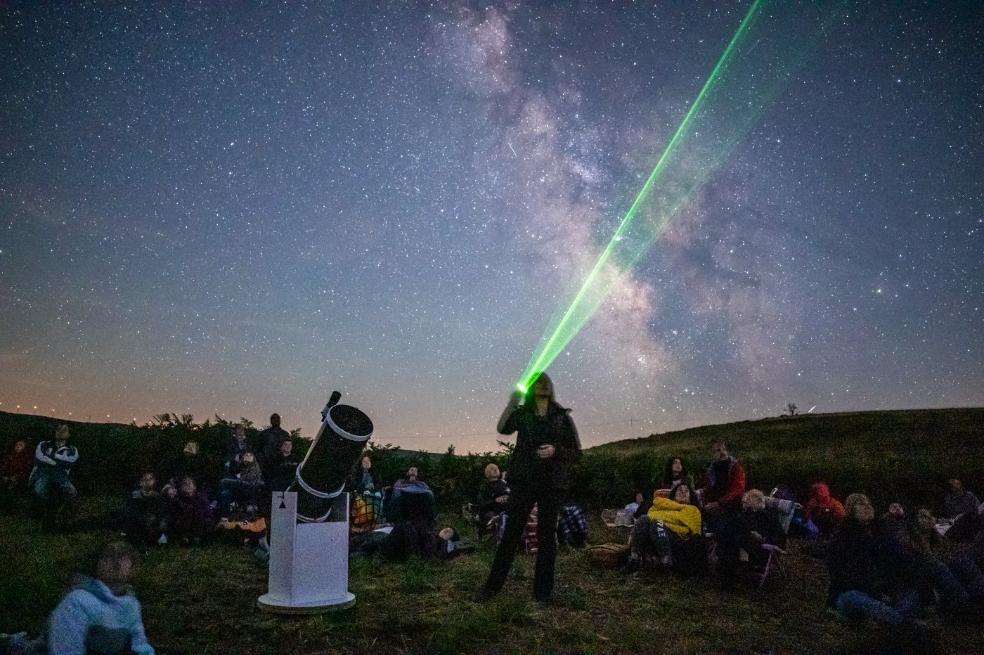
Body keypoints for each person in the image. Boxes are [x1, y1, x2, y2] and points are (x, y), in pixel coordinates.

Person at [476, 372, 581, 603]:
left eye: (546, 381)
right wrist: (513, 401)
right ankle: (491, 589)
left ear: (551, 387)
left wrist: (555, 451)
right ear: (532, 388)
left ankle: (543, 593)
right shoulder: (523, 414)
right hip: (524, 480)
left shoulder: (562, 417)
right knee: (511, 534)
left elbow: (576, 451)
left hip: (552, 483)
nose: (543, 384)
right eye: (538, 381)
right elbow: (503, 428)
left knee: (547, 537)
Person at [827, 494, 926, 631]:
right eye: (861, 503)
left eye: (868, 503)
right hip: (853, 593)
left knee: (911, 594)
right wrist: (875, 592)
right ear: (851, 510)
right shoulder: (843, 537)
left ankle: (892, 621)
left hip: (885, 592)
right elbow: (841, 574)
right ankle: (906, 626)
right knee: (856, 598)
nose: (867, 506)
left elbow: (900, 559)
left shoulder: (881, 533)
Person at [47, 541, 155, 655]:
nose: (116, 562)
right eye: (109, 556)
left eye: (122, 556)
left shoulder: (132, 605)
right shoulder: (77, 600)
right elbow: (66, 650)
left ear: (133, 568)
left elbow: (140, 645)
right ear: (98, 564)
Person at [626, 482, 704, 576]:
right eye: (680, 490)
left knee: (656, 523)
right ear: (674, 494)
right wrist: (661, 523)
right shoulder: (660, 505)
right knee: (643, 519)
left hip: (678, 539)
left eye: (686, 491)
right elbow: (650, 516)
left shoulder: (692, 509)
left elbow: (691, 529)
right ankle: (635, 559)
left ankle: (666, 563)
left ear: (690, 496)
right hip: (655, 532)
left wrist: (663, 524)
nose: (683, 492)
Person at [716, 489, 785, 589]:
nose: (745, 500)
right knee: (732, 531)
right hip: (745, 542)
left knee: (737, 538)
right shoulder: (748, 513)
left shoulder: (770, 515)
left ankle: (736, 568)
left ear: (759, 500)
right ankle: (736, 566)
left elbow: (778, 536)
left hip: (761, 548)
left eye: (748, 498)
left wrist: (763, 538)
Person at [29, 425, 79, 514]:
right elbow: (39, 458)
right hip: (43, 472)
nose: (61, 432)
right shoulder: (43, 444)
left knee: (72, 491)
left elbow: (70, 463)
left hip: (60, 474)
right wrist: (58, 462)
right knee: (39, 489)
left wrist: (50, 458)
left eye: (64, 431)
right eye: (59, 430)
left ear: (69, 434)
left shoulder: (72, 449)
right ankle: (43, 511)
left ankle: (62, 511)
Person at [701, 440, 745, 529]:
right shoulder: (710, 471)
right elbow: (709, 489)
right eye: (718, 450)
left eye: (723, 449)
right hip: (714, 505)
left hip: (732, 506)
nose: (722, 452)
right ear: (713, 454)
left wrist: (719, 503)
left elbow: (738, 489)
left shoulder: (735, 467)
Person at [122, 472, 165, 547]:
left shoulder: (157, 496)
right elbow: (130, 510)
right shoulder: (135, 495)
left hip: (151, 522)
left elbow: (160, 511)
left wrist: (156, 518)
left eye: (150, 479)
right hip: (138, 520)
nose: (148, 482)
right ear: (140, 483)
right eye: (145, 480)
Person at [165, 476, 213, 545]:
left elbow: (208, 514)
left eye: (190, 484)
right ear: (181, 488)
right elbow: (173, 515)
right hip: (183, 527)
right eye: (185, 484)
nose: (188, 486)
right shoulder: (177, 499)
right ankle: (182, 538)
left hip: (197, 526)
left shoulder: (200, 498)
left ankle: (197, 537)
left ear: (195, 487)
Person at [217, 451, 263, 515]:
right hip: (241, 487)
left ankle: (215, 501)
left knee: (223, 481)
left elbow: (249, 478)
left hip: (250, 486)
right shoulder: (242, 464)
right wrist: (233, 463)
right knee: (224, 494)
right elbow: (234, 470)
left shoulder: (253, 464)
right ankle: (224, 514)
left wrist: (240, 475)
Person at [0, 439, 33, 512]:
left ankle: (7, 508)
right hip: (6, 476)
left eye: (20, 445)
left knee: (12, 487)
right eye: (17, 445)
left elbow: (26, 470)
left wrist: (16, 477)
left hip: (18, 478)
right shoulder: (9, 456)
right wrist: (4, 476)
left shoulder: (27, 458)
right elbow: (4, 467)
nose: (18, 447)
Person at [476, 463, 510, 529]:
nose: (495, 470)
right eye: (492, 468)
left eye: (497, 468)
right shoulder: (485, 486)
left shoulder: (504, 483)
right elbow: (481, 503)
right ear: (487, 472)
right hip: (492, 511)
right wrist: (495, 500)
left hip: (506, 509)